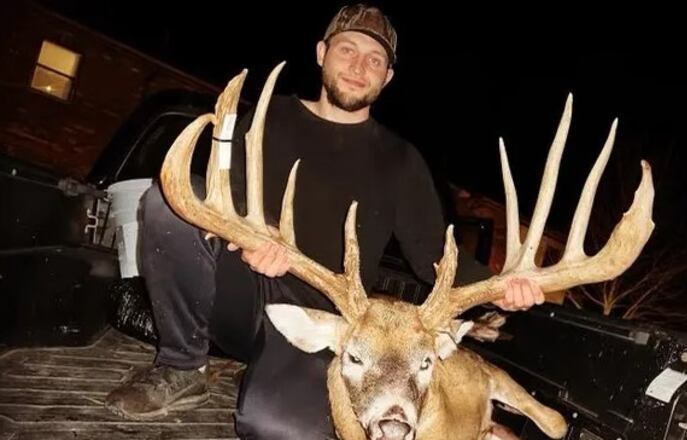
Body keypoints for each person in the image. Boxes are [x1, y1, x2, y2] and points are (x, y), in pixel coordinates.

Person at [105, 4, 544, 439]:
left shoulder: (400, 161)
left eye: (375, 60)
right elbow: (224, 203)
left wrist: (500, 287)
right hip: (240, 294)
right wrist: (253, 239)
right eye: (347, 50)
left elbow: (432, 254)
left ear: (387, 77)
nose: (359, 66)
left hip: (327, 326)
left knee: (274, 427)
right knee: (169, 204)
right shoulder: (265, 119)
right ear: (321, 52)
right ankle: (182, 365)